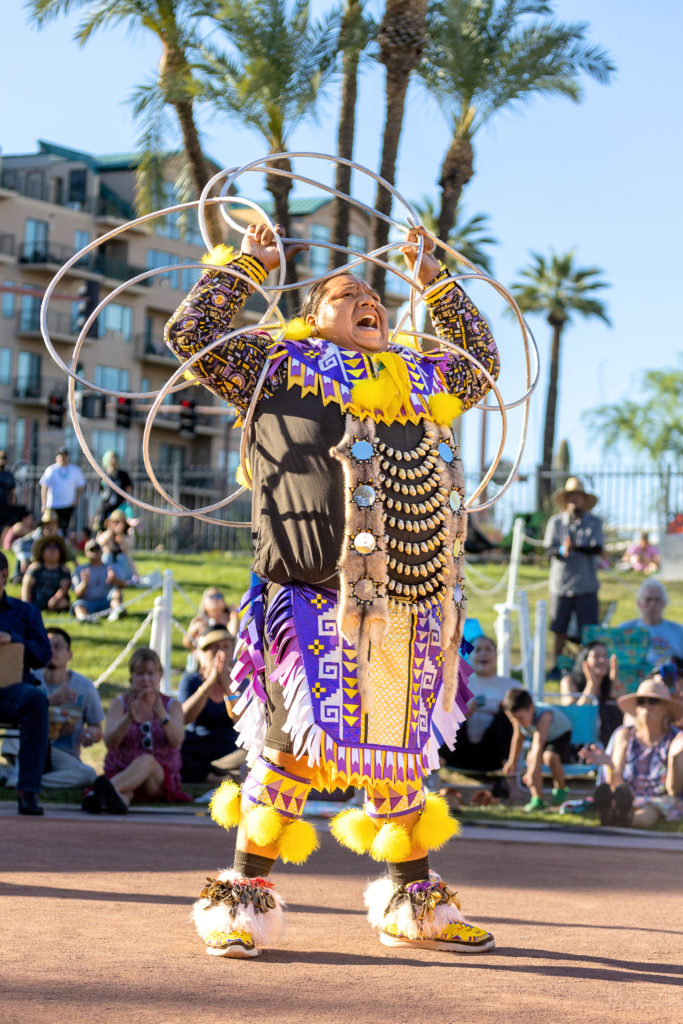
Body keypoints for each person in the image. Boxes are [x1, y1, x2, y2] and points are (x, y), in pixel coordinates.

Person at [166, 222, 500, 958]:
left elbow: (480, 364)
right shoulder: (273, 364)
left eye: (375, 297)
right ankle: (241, 901)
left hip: (408, 607)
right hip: (304, 597)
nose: (367, 301)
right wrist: (246, 264)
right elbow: (192, 333)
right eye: (347, 295)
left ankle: (416, 907)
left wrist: (436, 283)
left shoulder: (421, 379)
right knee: (288, 754)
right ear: (313, 314)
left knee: (397, 761)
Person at [84, 646, 186, 814]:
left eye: (150, 673)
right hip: (123, 772)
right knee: (122, 793)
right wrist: (128, 718)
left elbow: (177, 741)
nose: (145, 679)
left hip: (157, 779)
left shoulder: (172, 706)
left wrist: (162, 717)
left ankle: (97, 793)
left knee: (147, 760)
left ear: (160, 675)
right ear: (132, 676)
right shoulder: (120, 704)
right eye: (140, 674)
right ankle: (110, 800)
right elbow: (110, 743)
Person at [580, 677, 683, 827]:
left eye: (653, 701)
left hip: (659, 798)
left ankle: (623, 819)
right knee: (620, 795)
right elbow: (615, 782)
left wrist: (674, 757)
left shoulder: (676, 739)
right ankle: (617, 812)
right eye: (641, 701)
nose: (646, 707)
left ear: (666, 708)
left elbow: (672, 790)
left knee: (649, 812)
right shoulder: (625, 735)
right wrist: (608, 764)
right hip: (627, 794)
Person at [0, 551, 51, 814]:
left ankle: (27, 792)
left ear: (4, 576)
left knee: (35, 699)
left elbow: (44, 654)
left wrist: (14, 638)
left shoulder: (25, 612)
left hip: (11, 691)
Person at [544, 478, 603, 671]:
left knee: (588, 632)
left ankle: (587, 668)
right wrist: (563, 550)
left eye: (578, 496)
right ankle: (556, 667)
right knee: (559, 629)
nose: (575, 500)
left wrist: (575, 547)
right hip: (562, 585)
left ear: (584, 500)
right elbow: (548, 551)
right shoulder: (556, 522)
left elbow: (597, 548)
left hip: (586, 586)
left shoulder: (594, 523)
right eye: (571, 497)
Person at [32, 627, 103, 789]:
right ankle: (24, 775)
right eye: (47, 645)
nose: (51, 651)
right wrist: (49, 701)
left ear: (69, 655)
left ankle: (28, 780)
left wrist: (91, 734)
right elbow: (13, 720)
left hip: (64, 755)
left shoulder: (85, 687)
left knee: (89, 775)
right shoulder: (29, 680)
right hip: (30, 750)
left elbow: (97, 728)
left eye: (57, 646)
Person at [441, 635, 513, 772]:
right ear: (470, 656)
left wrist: (505, 711)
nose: (483, 653)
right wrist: (465, 713)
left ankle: (509, 769)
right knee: (451, 711)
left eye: (488, 649)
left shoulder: (510, 686)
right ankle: (439, 760)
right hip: (459, 752)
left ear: (496, 655)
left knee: (508, 713)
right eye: (478, 650)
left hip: (494, 753)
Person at [179, 625, 239, 783]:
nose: (220, 653)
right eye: (213, 648)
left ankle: (217, 774)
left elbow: (243, 722)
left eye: (225, 647)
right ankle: (213, 777)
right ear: (201, 654)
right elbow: (183, 718)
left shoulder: (241, 682)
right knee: (172, 753)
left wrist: (227, 684)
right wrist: (210, 682)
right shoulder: (191, 681)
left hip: (230, 750)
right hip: (196, 747)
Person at [502, 688, 573, 812]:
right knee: (531, 758)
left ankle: (561, 790)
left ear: (532, 709)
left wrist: (530, 772)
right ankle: (537, 799)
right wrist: (512, 762)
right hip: (542, 738)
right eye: (514, 719)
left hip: (560, 736)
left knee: (550, 757)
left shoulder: (544, 716)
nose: (518, 722)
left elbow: (538, 746)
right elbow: (517, 739)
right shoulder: (518, 718)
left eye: (520, 718)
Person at [560, 640, 623, 746]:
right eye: (596, 656)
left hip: (607, 741)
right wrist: (591, 686)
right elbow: (574, 715)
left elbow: (629, 709)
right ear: (584, 661)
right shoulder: (569, 682)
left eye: (604, 656)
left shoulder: (611, 683)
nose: (602, 660)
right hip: (577, 741)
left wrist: (616, 681)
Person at [618, 579, 683, 667]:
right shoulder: (624, 630)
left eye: (657, 600)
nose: (652, 604)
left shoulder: (678, 632)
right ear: (639, 603)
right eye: (648, 600)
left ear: (664, 603)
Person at [71, 539, 128, 622]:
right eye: (91, 550)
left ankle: (117, 611)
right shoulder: (80, 570)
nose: (95, 553)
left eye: (97, 550)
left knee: (116, 592)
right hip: (88, 603)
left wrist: (114, 579)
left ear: (102, 552)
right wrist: (84, 583)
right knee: (78, 605)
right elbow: (77, 593)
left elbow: (124, 585)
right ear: (85, 553)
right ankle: (85, 619)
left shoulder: (112, 567)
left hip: (106, 602)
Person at [96, 509, 139, 619]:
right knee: (108, 556)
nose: (117, 525)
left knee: (120, 557)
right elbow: (102, 544)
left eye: (120, 522)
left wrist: (119, 534)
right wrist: (111, 531)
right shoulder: (105, 534)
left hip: (122, 566)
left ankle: (120, 580)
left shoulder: (127, 536)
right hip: (108, 564)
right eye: (114, 522)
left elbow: (126, 551)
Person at [39, 447, 86, 534]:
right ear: (57, 457)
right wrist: (44, 504)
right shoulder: (51, 470)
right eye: (60, 456)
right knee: (50, 526)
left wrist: (76, 500)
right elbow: (44, 487)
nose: (63, 458)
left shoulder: (75, 470)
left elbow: (80, 486)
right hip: (53, 505)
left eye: (65, 456)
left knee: (65, 527)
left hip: (68, 505)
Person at [21, 534, 71, 612]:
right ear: (42, 551)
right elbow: (26, 585)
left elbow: (63, 588)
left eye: (56, 547)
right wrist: (25, 601)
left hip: (55, 600)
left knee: (63, 603)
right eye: (48, 546)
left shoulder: (63, 569)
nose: (52, 549)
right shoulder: (36, 567)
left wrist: (55, 599)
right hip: (36, 598)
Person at [97, 451, 133, 530]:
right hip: (107, 505)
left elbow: (128, 488)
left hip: (120, 504)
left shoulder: (123, 474)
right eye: (111, 458)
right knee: (101, 523)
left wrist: (126, 500)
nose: (113, 460)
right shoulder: (104, 474)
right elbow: (101, 490)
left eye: (115, 458)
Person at [0, 449, 17, 539]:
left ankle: (2, 543)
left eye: (3, 459)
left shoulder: (8, 475)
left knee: (5, 526)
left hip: (5, 505)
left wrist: (12, 506)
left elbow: (12, 492)